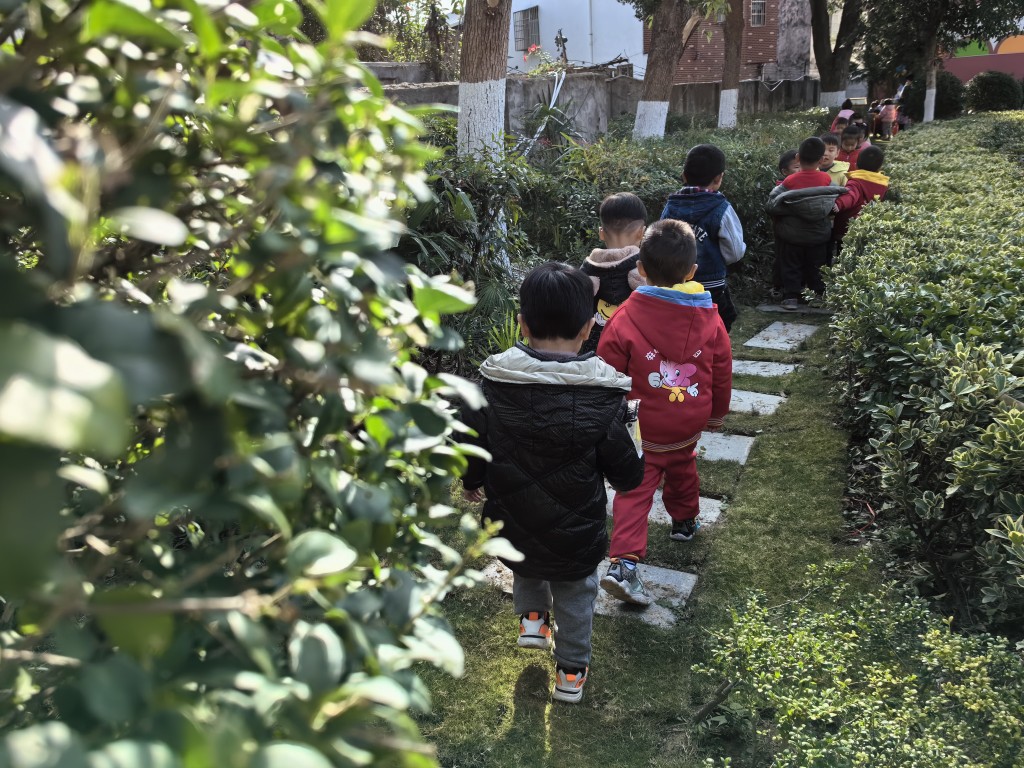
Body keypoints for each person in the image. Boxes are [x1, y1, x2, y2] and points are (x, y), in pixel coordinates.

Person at [461, 262, 645, 704]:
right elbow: (627, 474)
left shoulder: (492, 384)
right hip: (577, 528)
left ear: (522, 325)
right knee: (577, 593)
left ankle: (531, 621)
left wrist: (471, 480)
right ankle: (570, 674)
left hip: (512, 514)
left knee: (524, 557)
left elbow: (472, 440)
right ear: (588, 328)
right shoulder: (604, 395)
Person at [596, 220, 732, 606]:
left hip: (641, 425)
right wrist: (716, 414)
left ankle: (624, 565)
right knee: (683, 465)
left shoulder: (625, 317)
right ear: (692, 271)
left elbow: (606, 374)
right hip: (689, 419)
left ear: (640, 269)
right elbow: (722, 368)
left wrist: (605, 420)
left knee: (635, 488)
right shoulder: (710, 317)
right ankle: (685, 522)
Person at [658, 144, 746, 331]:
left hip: (678, 283)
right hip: (712, 286)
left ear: (684, 175)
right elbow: (735, 251)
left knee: (681, 327)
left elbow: (661, 243)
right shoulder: (722, 208)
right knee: (720, 324)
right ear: (718, 178)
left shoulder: (671, 207)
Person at [766, 136, 847, 311]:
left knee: (791, 265)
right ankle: (817, 295)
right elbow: (834, 198)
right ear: (821, 160)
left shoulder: (789, 181)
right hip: (819, 235)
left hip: (792, 235)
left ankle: (791, 297)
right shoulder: (826, 180)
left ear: (797, 157)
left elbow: (772, 204)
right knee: (817, 266)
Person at [579, 193, 646, 355]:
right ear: (641, 232)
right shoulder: (646, 269)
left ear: (601, 233)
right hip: (634, 348)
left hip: (593, 351)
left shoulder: (586, 271)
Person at [832, 145, 889, 250]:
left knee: (842, 252)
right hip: (867, 227)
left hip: (848, 228)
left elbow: (850, 195)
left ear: (856, 165)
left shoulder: (856, 182)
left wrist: (838, 204)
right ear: (879, 167)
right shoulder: (882, 184)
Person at [770, 149, 800, 298]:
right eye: (797, 167)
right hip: (783, 232)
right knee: (782, 260)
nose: (801, 171)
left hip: (797, 232)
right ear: (784, 171)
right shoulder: (780, 189)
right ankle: (779, 286)